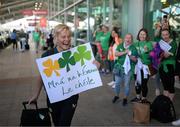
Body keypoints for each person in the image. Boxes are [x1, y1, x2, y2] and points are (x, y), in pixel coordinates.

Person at [28, 24, 100, 126]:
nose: (67, 39)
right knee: (57, 123)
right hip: (53, 97)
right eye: (63, 37)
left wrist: (94, 67)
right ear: (56, 38)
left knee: (64, 124)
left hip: (71, 98)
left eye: (69, 36)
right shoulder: (47, 56)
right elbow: (41, 77)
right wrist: (36, 95)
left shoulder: (77, 53)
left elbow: (86, 69)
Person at [112, 33, 138, 106]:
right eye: (127, 38)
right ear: (124, 39)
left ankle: (125, 98)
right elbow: (116, 54)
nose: (128, 39)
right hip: (119, 68)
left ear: (131, 40)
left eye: (130, 38)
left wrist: (130, 57)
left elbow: (135, 60)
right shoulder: (120, 45)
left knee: (127, 85)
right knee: (117, 83)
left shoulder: (133, 48)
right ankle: (117, 96)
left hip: (128, 69)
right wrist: (124, 52)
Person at [131, 28, 153, 103]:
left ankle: (143, 98)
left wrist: (147, 51)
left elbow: (151, 54)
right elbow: (132, 52)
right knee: (137, 82)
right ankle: (137, 97)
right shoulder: (135, 43)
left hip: (145, 67)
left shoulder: (149, 43)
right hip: (137, 66)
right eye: (141, 34)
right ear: (138, 35)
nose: (142, 36)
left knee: (144, 83)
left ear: (146, 35)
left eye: (144, 34)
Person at [159, 29, 177, 101]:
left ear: (169, 34)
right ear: (161, 35)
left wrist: (161, 53)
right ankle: (165, 104)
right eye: (163, 35)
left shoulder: (174, 43)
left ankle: (169, 103)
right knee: (165, 85)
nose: (165, 36)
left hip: (170, 66)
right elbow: (157, 54)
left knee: (170, 85)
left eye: (166, 34)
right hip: (162, 66)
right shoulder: (161, 42)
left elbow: (166, 56)